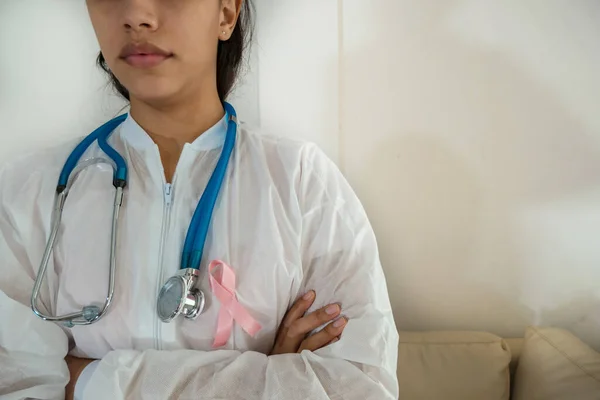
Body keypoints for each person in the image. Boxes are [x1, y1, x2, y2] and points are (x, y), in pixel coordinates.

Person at [0, 0, 399, 399]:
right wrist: (266, 375)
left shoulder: (302, 182)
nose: (136, 13)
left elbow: (360, 386)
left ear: (226, 13)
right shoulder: (31, 193)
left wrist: (85, 379)